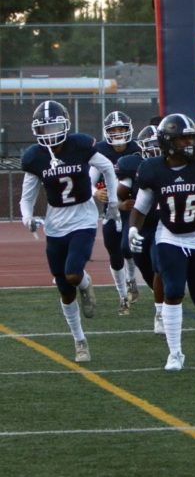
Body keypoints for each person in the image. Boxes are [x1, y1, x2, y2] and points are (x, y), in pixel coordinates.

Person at [128, 113, 195, 371]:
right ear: (167, 142)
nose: (189, 143)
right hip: (170, 236)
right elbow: (141, 207)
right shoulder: (152, 169)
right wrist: (132, 229)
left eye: (192, 138)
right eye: (183, 138)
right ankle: (175, 353)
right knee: (173, 291)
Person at [19, 100, 120, 362]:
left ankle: (85, 282)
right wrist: (27, 217)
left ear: (66, 124)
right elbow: (26, 197)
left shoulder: (80, 145)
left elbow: (108, 167)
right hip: (55, 224)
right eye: (45, 128)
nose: (50, 133)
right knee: (65, 289)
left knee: (73, 273)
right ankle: (79, 340)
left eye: (54, 125)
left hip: (84, 218)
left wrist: (113, 203)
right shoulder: (35, 157)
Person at [116, 125, 166, 333]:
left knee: (158, 265)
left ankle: (161, 312)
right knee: (143, 265)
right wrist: (121, 204)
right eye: (150, 145)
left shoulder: (174, 163)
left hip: (164, 223)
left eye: (158, 144)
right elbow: (121, 194)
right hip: (142, 224)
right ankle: (163, 296)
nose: (154, 149)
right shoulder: (133, 165)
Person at [91, 110, 141, 315]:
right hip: (111, 207)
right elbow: (89, 179)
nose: (118, 133)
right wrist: (96, 193)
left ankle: (130, 281)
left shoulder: (138, 149)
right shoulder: (100, 150)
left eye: (122, 129)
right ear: (107, 132)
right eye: (114, 129)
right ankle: (122, 296)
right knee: (114, 253)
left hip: (132, 204)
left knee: (127, 248)